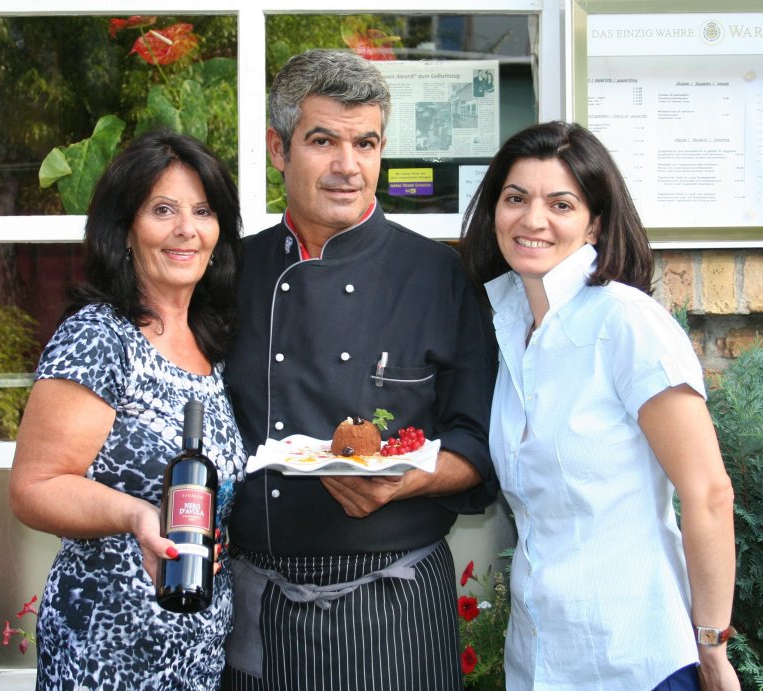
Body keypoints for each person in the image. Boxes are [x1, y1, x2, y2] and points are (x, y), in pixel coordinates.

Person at [221, 49, 498, 691]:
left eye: (366, 143)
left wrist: (404, 480)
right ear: (278, 148)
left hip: (397, 606)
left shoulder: (438, 276)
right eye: (323, 141)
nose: (349, 166)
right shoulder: (228, 274)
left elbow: (479, 442)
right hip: (260, 605)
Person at [459, 120, 740, 691]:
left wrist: (711, 644)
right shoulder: (510, 325)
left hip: (634, 658)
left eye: (561, 203)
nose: (532, 219)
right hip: (538, 656)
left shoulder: (627, 323)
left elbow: (709, 493)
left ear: (596, 224)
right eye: (516, 198)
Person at [9, 130, 247, 689]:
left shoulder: (211, 347)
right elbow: (34, 486)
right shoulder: (99, 338)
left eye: (203, 210)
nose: (186, 228)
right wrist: (137, 516)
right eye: (163, 209)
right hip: (105, 654)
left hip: (196, 657)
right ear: (125, 231)